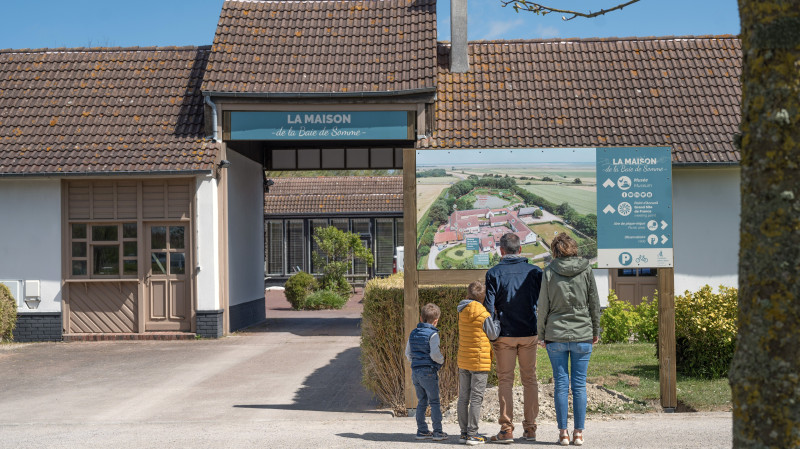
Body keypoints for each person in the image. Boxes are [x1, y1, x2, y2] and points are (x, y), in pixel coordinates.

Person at [537, 233, 601, 446]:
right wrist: (596, 330)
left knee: (561, 385)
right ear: (573, 248)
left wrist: (541, 334)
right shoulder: (586, 269)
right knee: (580, 385)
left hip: (555, 334)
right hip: (583, 332)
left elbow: (543, 307)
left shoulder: (548, 272)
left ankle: (563, 433)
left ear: (555, 250)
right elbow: (594, 303)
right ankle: (579, 434)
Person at [484, 232, 543, 443]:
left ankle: (506, 430)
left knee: (505, 381)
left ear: (501, 251)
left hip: (505, 335)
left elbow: (489, 308)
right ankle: (530, 430)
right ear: (519, 249)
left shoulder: (493, 273)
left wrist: (491, 333)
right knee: (530, 380)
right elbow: (542, 303)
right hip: (529, 332)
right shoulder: (536, 272)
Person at [456, 281, 501, 446]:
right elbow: (493, 334)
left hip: (464, 359)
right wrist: (497, 320)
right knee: (476, 398)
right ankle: (473, 434)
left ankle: (463, 433)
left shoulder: (461, 311)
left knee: (463, 397)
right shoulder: (483, 314)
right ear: (483, 299)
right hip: (479, 361)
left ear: (468, 295)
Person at [405, 303, 448, 441]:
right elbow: (435, 354)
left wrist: (415, 363)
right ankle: (437, 432)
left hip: (415, 372)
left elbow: (408, 353)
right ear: (436, 321)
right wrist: (441, 361)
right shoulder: (433, 334)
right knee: (434, 402)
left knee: (422, 401)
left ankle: (422, 430)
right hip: (428, 371)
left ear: (420, 317)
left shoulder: (413, 333)